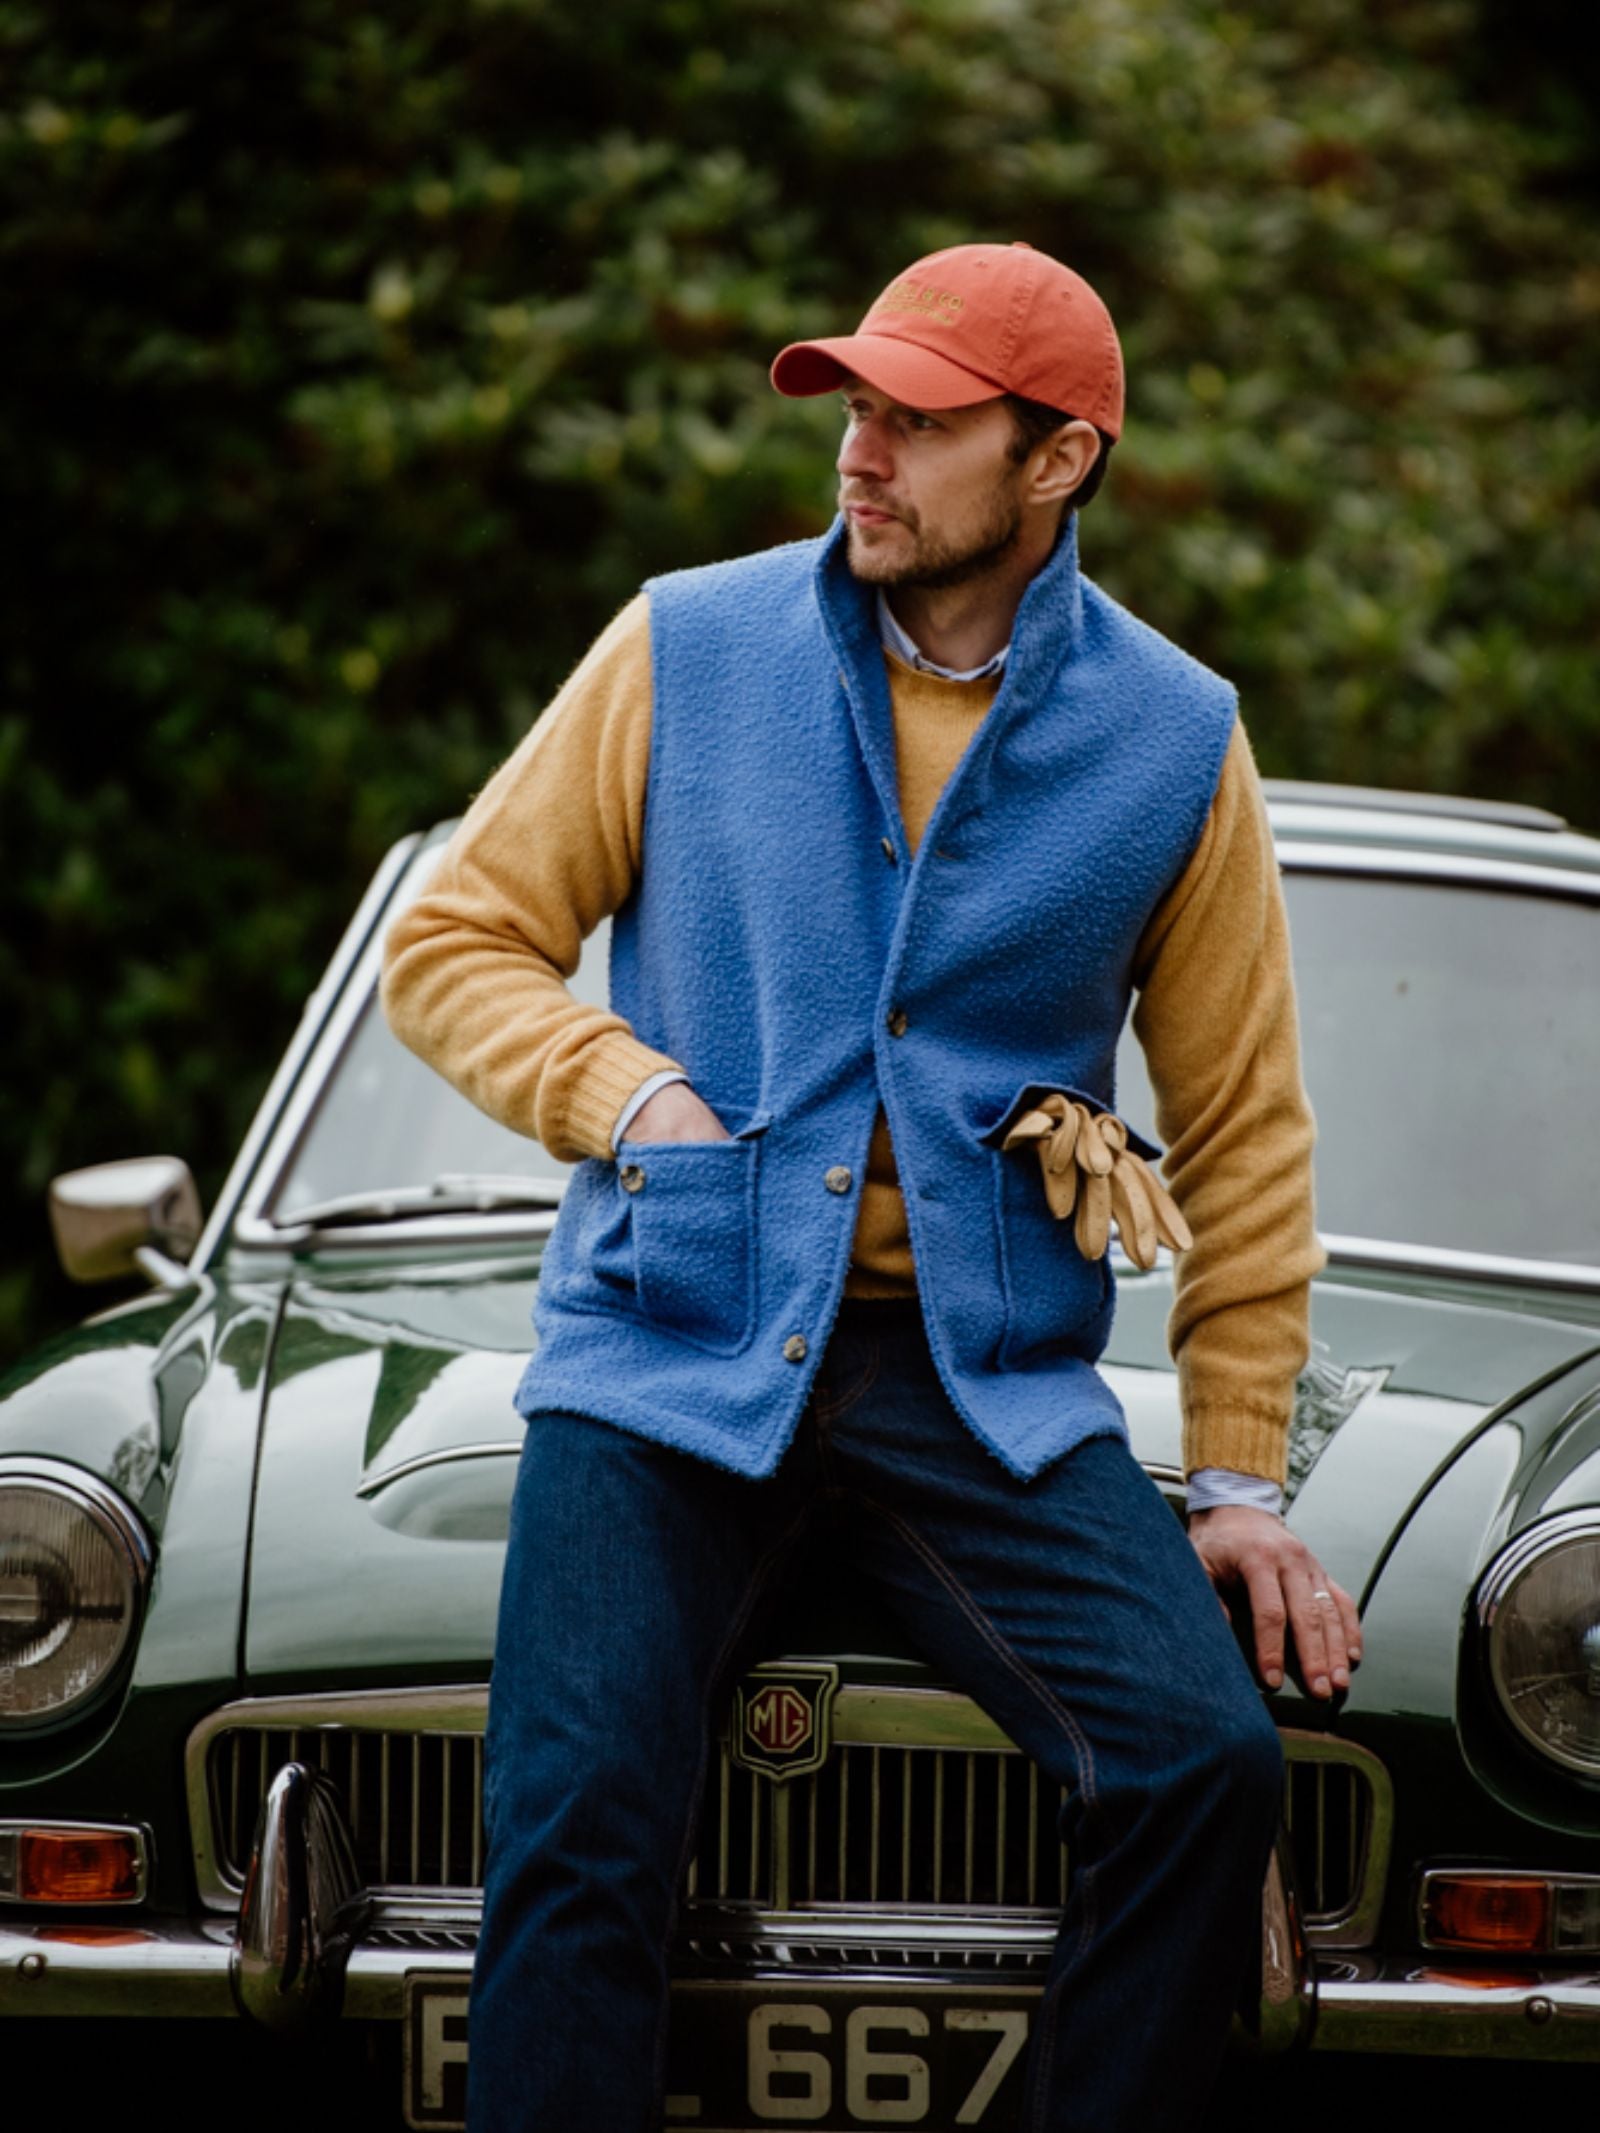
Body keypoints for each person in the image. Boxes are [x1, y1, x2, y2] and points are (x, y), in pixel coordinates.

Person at [380, 238, 1362, 2132]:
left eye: (918, 421)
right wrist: (630, 1092)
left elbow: (1244, 1128)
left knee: (1206, 1763)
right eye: (854, 407)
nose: (860, 450)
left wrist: (1240, 1481)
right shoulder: (686, 644)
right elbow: (453, 941)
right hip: (667, 1348)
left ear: (1056, 460)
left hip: (976, 1387)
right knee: (574, 1819)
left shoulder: (1176, 738)